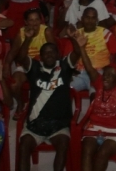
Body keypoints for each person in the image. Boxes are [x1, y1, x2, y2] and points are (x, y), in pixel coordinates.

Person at [15, 31, 82, 171]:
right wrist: (27, 39)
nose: (49, 54)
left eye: (52, 52)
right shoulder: (34, 67)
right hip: (35, 124)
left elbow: (77, 52)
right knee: (24, 146)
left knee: (63, 144)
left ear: (58, 54)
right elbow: (21, 57)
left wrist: (72, 38)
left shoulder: (64, 66)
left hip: (59, 125)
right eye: (46, 52)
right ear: (41, 56)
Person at [76, 36, 116, 171]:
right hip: (95, 127)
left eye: (111, 75)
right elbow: (89, 68)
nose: (106, 77)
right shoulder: (99, 84)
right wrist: (81, 47)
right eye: (105, 74)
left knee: (102, 153)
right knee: (86, 149)